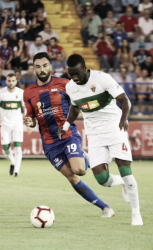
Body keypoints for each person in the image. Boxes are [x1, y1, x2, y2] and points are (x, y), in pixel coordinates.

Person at [23, 52, 116, 218]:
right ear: (34, 69)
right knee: (72, 177)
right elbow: (30, 116)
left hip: (67, 135)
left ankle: (86, 155)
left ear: (50, 66)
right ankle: (105, 208)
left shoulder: (65, 84)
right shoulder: (28, 92)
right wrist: (30, 121)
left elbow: (78, 103)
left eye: (45, 66)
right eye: (38, 67)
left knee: (80, 170)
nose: (42, 70)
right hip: (50, 143)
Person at [60, 53, 142, 225]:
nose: (74, 77)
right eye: (71, 74)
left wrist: (123, 119)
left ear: (84, 68)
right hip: (94, 135)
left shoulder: (103, 79)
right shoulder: (70, 87)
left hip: (114, 128)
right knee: (102, 179)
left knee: (125, 170)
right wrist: (66, 125)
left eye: (77, 74)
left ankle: (136, 214)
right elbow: (75, 108)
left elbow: (124, 100)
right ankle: (123, 183)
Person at [0, 73, 24, 176]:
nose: (11, 83)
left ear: (16, 81)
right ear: (6, 81)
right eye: (9, 81)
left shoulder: (21, 93)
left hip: (17, 123)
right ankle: (13, 161)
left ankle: (16, 171)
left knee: (18, 147)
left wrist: (27, 121)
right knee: (6, 148)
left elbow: (26, 108)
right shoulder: (1, 92)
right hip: (5, 124)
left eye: (13, 81)